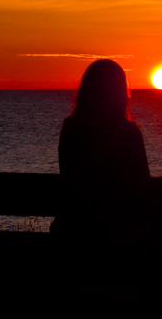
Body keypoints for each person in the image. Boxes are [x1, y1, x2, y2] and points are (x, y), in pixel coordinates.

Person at [50, 59, 153, 268]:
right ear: (120, 92)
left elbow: (68, 176)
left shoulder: (70, 129)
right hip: (118, 232)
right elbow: (144, 185)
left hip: (72, 229)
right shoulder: (129, 133)